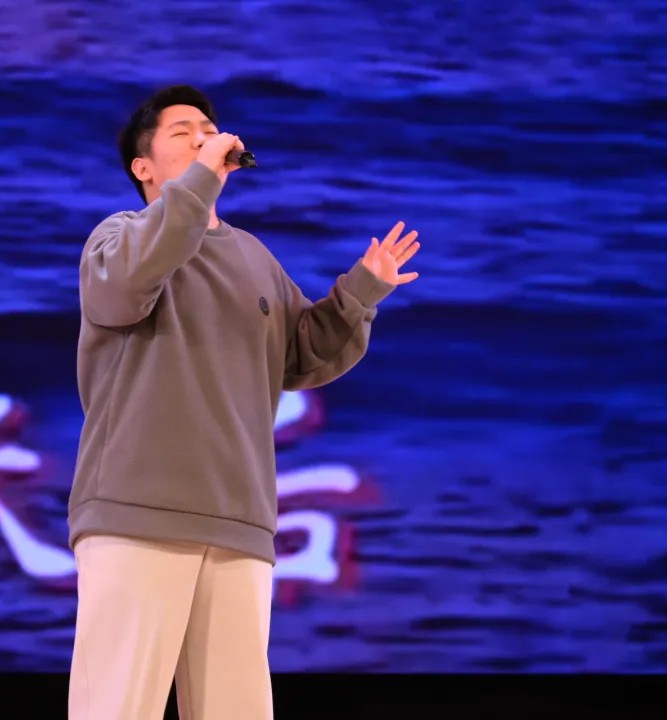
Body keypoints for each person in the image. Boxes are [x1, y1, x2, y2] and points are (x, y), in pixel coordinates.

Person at [66, 84, 421, 720]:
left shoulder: (253, 256)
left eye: (209, 130)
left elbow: (301, 355)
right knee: (116, 704)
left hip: (239, 519)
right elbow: (126, 287)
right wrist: (199, 184)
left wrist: (361, 292)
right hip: (136, 512)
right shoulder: (118, 237)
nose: (203, 138)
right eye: (182, 133)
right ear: (143, 167)